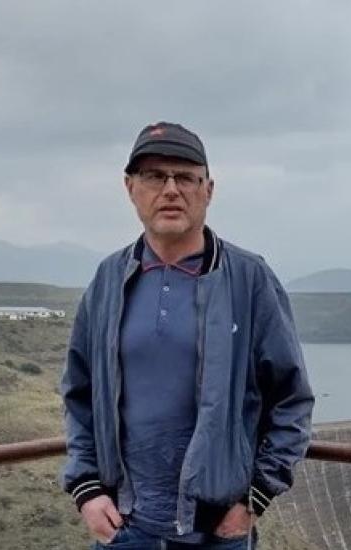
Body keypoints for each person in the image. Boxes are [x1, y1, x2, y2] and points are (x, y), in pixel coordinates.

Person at [60, 122, 315, 549]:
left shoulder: (248, 279)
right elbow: (79, 394)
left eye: (185, 177)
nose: (171, 190)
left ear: (208, 190)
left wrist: (254, 498)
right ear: (130, 188)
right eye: (154, 176)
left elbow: (292, 399)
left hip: (217, 532)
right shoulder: (108, 279)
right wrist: (87, 489)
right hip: (125, 527)